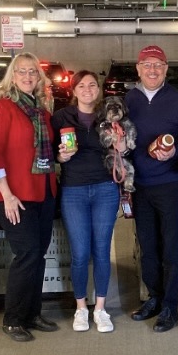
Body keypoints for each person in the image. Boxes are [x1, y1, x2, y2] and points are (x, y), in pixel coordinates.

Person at [0, 52, 58, 343]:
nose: (28, 77)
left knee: (38, 255)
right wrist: (7, 196)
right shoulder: (3, 109)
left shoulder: (41, 109)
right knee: (26, 254)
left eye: (33, 72)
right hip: (13, 194)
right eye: (22, 72)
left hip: (43, 191)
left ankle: (32, 313)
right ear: (12, 76)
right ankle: (13, 319)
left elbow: (46, 149)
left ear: (39, 78)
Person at [125, 45, 178, 333]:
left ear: (166, 70)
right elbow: (117, 139)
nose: (152, 70)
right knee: (147, 247)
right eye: (147, 65)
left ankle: (170, 304)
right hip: (139, 185)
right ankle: (154, 296)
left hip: (170, 184)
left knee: (172, 246)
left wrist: (174, 152)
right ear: (138, 70)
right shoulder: (127, 100)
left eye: (158, 65)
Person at [51, 70, 120, 333]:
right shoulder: (61, 118)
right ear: (74, 90)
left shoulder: (110, 117)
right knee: (80, 253)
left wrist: (122, 146)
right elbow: (51, 152)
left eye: (93, 85)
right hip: (74, 190)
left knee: (101, 251)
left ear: (99, 90)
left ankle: (100, 309)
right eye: (82, 85)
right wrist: (62, 158)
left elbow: (123, 148)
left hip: (105, 188)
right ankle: (81, 308)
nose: (88, 89)